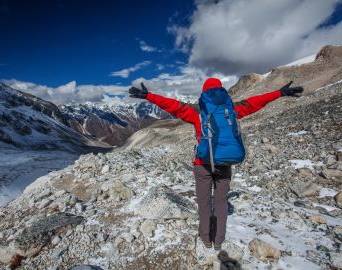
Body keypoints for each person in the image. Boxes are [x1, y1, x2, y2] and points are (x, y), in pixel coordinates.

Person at [128, 78, 303, 250]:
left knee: (204, 203)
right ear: (221, 91)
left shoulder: (197, 110)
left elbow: (172, 105)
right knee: (221, 202)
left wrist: (149, 96)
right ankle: (219, 240)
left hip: (202, 163)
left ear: (204, 92)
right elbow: (256, 102)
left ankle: (206, 239)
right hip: (224, 163)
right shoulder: (232, 108)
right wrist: (280, 93)